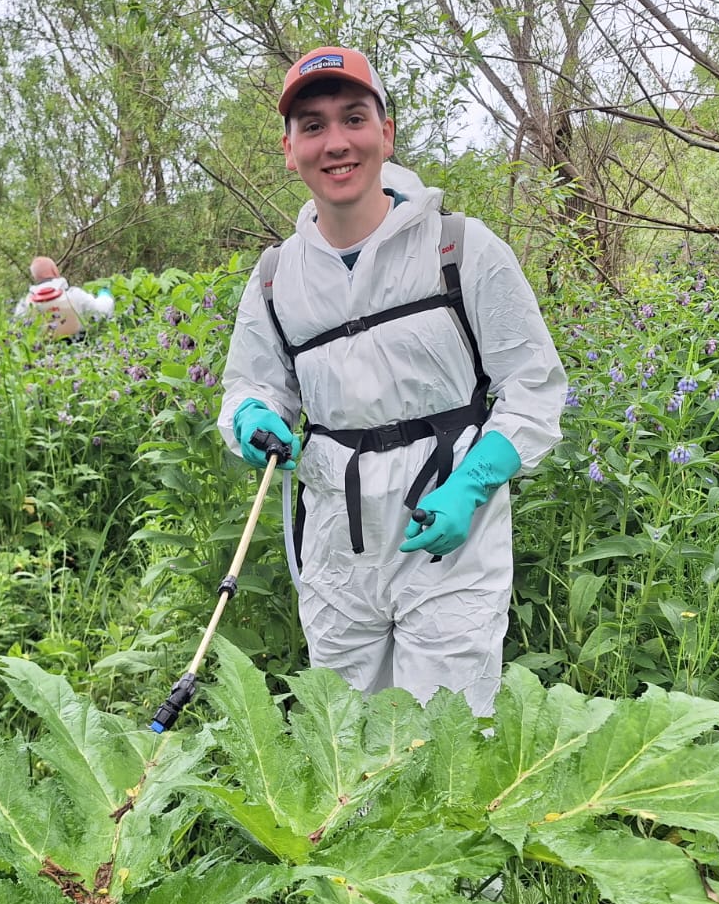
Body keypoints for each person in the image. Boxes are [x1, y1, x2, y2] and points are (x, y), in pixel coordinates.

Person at [218, 46, 566, 716]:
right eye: (312, 126)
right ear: (289, 151)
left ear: (386, 134)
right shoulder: (274, 278)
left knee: (448, 738)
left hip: (448, 538)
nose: (336, 142)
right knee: (345, 739)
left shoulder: (459, 248)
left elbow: (533, 388)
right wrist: (252, 418)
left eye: (354, 118)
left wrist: (471, 485)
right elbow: (250, 385)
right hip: (334, 545)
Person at [15, 256, 115, 338]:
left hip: (43, 356)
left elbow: (18, 330)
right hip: (80, 348)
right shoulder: (73, 294)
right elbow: (101, 312)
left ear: (35, 276)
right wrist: (105, 296)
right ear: (55, 271)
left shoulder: (25, 304)